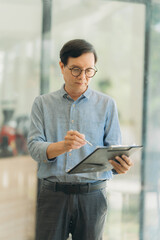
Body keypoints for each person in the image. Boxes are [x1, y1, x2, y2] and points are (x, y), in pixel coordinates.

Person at [27, 39, 133, 240]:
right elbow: (33, 147)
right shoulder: (42, 103)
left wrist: (119, 166)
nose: (83, 77)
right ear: (62, 66)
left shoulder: (107, 105)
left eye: (89, 71)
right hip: (53, 195)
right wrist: (62, 146)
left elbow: (113, 151)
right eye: (76, 70)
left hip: (93, 196)